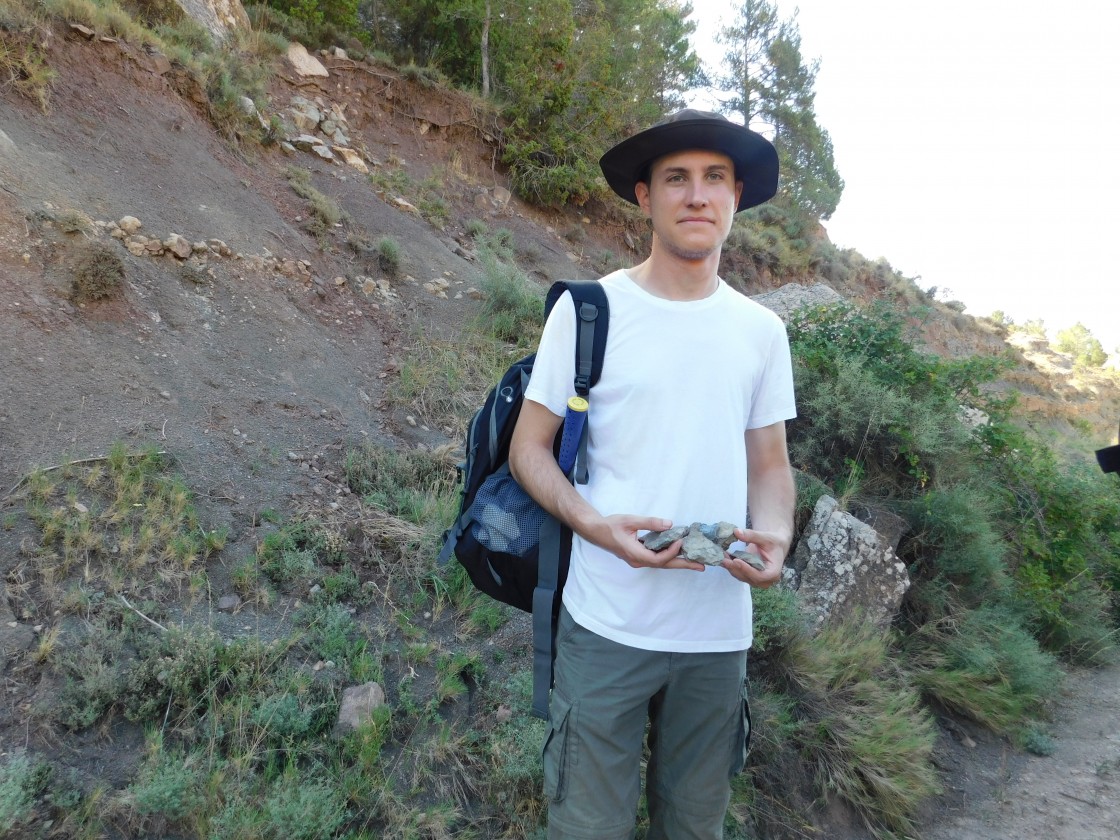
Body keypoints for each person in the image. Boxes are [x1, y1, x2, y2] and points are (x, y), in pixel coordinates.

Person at [508, 108, 798, 839]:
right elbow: (528, 450)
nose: (697, 195)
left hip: (717, 633)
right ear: (645, 197)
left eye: (714, 179)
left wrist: (778, 538)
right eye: (677, 179)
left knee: (695, 828)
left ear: (735, 198)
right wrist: (597, 527)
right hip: (607, 622)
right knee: (586, 827)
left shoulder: (762, 332)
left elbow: (769, 463)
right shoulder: (589, 311)